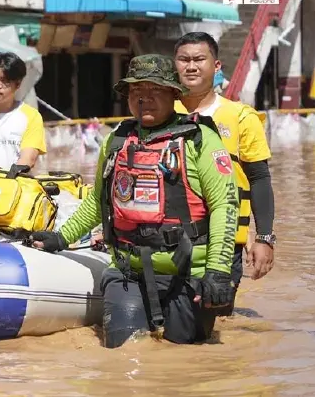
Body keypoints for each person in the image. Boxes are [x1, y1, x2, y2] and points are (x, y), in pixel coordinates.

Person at [30, 54, 240, 348]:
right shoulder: (116, 141)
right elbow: (98, 202)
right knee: (125, 353)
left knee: (185, 355)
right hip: (128, 272)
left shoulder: (200, 140)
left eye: (155, 90)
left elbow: (225, 206)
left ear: (174, 94)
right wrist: (61, 238)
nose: (144, 98)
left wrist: (218, 272)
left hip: (189, 275)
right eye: (136, 91)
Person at [173, 32, 276, 316]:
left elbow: (259, 179)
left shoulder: (241, 117)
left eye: (199, 59)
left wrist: (264, 238)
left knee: (214, 322)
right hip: (166, 239)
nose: (191, 66)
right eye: (183, 60)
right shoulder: (160, 113)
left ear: (216, 66)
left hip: (224, 242)